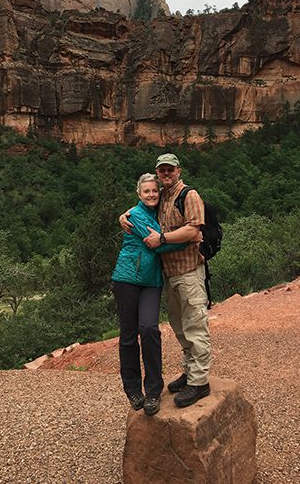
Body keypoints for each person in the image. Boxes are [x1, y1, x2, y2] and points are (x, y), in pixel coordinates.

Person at [121, 153, 212, 408]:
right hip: (169, 274)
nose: (166, 174)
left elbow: (194, 230)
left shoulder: (189, 195)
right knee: (181, 327)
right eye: (162, 171)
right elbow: (140, 207)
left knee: (195, 325)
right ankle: (190, 372)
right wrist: (123, 216)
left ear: (179, 171)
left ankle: (200, 382)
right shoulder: (162, 197)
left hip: (189, 271)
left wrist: (162, 239)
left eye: (170, 170)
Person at [111, 172, 187, 416]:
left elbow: (166, 230)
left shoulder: (162, 212)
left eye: (155, 191)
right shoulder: (135, 215)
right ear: (139, 194)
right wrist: (191, 235)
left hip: (151, 281)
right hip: (127, 279)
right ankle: (133, 390)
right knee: (129, 335)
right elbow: (158, 242)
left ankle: (153, 391)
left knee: (149, 329)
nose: (152, 194)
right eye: (147, 191)